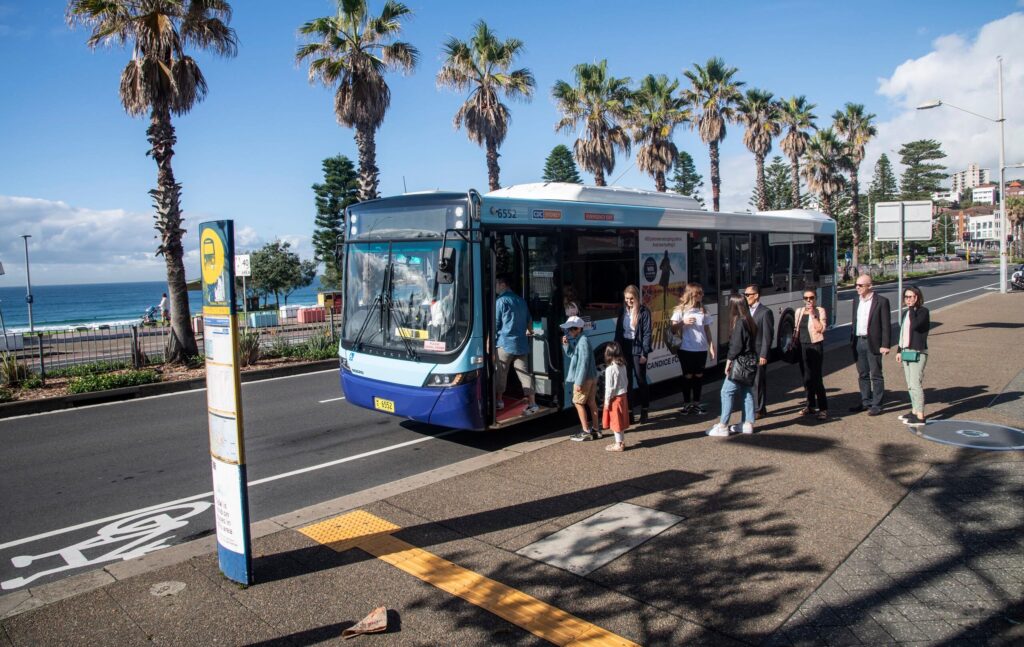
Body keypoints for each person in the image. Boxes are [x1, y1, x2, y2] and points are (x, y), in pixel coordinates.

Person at [708, 294, 758, 436]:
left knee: (726, 392)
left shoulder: (740, 322)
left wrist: (728, 362)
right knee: (746, 392)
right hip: (750, 361)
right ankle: (748, 423)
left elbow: (736, 346)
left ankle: (723, 425)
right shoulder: (749, 320)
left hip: (739, 363)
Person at [494, 274, 538, 415]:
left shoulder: (501, 301)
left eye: (496, 284)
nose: (494, 287)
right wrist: (530, 331)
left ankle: (499, 400)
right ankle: (532, 402)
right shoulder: (521, 300)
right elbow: (529, 321)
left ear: (503, 284)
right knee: (525, 374)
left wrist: (489, 341)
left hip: (504, 343)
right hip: (521, 344)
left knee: (501, 372)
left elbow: (495, 324)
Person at [670, 283, 716, 414]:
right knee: (687, 376)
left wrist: (711, 346)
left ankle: (696, 403)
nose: (702, 295)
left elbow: (707, 330)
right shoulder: (680, 310)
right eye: (699, 293)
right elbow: (672, 329)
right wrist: (683, 322)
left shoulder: (703, 310)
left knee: (699, 376)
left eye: (702, 293)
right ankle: (686, 404)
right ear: (691, 295)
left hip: (701, 349)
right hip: (685, 349)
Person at [849, 274, 891, 416]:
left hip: (873, 342)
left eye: (860, 285)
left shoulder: (881, 301)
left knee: (876, 374)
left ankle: (877, 404)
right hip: (858, 341)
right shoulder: (856, 300)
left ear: (870, 286)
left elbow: (886, 325)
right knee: (862, 374)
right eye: (856, 285)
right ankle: (865, 401)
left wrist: (885, 344)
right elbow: (855, 321)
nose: (857, 288)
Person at [614, 285, 652, 423]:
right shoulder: (623, 311)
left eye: (631, 299)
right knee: (627, 381)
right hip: (625, 347)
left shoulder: (643, 312)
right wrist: (616, 351)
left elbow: (647, 333)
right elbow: (618, 331)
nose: (629, 301)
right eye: (626, 299)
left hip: (638, 348)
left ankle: (645, 410)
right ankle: (629, 412)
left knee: (641, 379)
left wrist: (644, 353)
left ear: (636, 298)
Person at [562, 315, 601, 441]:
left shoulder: (582, 341)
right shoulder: (582, 340)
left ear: (578, 329)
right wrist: (567, 345)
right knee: (591, 402)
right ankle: (596, 429)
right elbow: (574, 355)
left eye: (570, 329)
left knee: (578, 402)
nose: (568, 332)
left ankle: (586, 431)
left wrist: (578, 382)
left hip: (584, 378)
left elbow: (583, 363)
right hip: (592, 376)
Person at [896, 285, 930, 426]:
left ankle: (921, 415)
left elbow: (915, 326)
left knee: (916, 383)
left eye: (911, 297)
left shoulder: (923, 311)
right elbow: (903, 333)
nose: (908, 299)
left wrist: (911, 308)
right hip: (906, 351)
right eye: (906, 297)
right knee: (910, 384)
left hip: (917, 351)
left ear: (917, 297)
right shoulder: (906, 313)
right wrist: (899, 350)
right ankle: (914, 410)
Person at [794, 289, 829, 420]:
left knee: (817, 378)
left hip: (815, 346)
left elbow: (821, 329)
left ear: (816, 298)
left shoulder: (820, 311)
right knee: (806, 378)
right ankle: (810, 406)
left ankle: (823, 408)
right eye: (806, 298)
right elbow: (796, 329)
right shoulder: (799, 311)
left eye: (811, 298)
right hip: (802, 346)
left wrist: (813, 315)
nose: (809, 300)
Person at [743, 284, 774, 417]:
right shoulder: (746, 311)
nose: (745, 297)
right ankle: (759, 407)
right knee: (750, 381)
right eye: (744, 295)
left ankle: (758, 409)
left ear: (756, 296)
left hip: (758, 352)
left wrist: (764, 354)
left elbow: (768, 336)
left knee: (758, 382)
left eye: (747, 295)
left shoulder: (765, 312)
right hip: (748, 352)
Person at [601, 342, 630, 451]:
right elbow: (626, 381)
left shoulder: (610, 369)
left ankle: (618, 444)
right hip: (623, 396)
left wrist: (607, 402)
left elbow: (609, 388)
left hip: (614, 398)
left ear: (608, 354)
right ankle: (621, 442)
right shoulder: (623, 365)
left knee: (615, 422)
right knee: (620, 421)